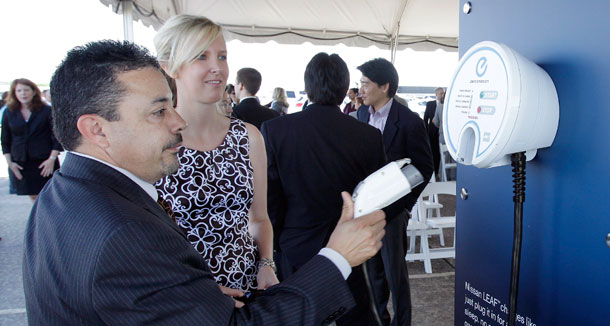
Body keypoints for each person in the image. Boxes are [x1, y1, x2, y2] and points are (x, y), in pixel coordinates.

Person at [22, 39, 387, 325]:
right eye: (158, 110)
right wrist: (338, 256)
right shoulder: (125, 232)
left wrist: (196, 301)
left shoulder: (62, 192)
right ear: (96, 129)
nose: (176, 122)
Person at [261, 52, 395, 325]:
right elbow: (377, 196)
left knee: (299, 316)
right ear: (346, 89)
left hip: (296, 246)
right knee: (353, 316)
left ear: (307, 87)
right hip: (350, 247)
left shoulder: (276, 130)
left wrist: (275, 249)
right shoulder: (368, 135)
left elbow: (271, 199)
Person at [153, 15, 278, 292]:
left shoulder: (248, 137)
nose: (216, 68)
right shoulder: (157, 141)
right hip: (181, 297)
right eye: (201, 56)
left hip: (246, 291)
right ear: (170, 67)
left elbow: (259, 218)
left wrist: (266, 264)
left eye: (221, 56)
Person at [357, 58, 434, 326]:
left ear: (384, 85)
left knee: (395, 275)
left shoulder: (409, 121)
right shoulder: (362, 115)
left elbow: (425, 167)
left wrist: (404, 206)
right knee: (373, 274)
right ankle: (380, 320)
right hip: (366, 211)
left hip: (393, 213)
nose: (361, 89)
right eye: (360, 83)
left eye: (365, 84)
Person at [1, 78, 61, 201]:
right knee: (33, 196)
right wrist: (10, 163)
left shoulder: (46, 111)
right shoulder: (9, 112)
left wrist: (52, 159)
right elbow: (5, 139)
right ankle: (39, 220)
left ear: (34, 92)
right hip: (21, 163)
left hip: (44, 162)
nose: (23, 93)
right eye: (19, 90)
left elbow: (56, 136)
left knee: (48, 196)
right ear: (14, 93)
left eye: (26, 90)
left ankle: (46, 219)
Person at [424, 87, 445, 177]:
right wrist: (425, 132)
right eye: (440, 93)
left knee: (442, 153)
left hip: (442, 134)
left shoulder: (446, 105)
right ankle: (434, 171)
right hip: (432, 133)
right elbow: (425, 119)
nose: (442, 95)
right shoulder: (430, 104)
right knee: (433, 152)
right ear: (436, 94)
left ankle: (440, 172)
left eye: (443, 93)